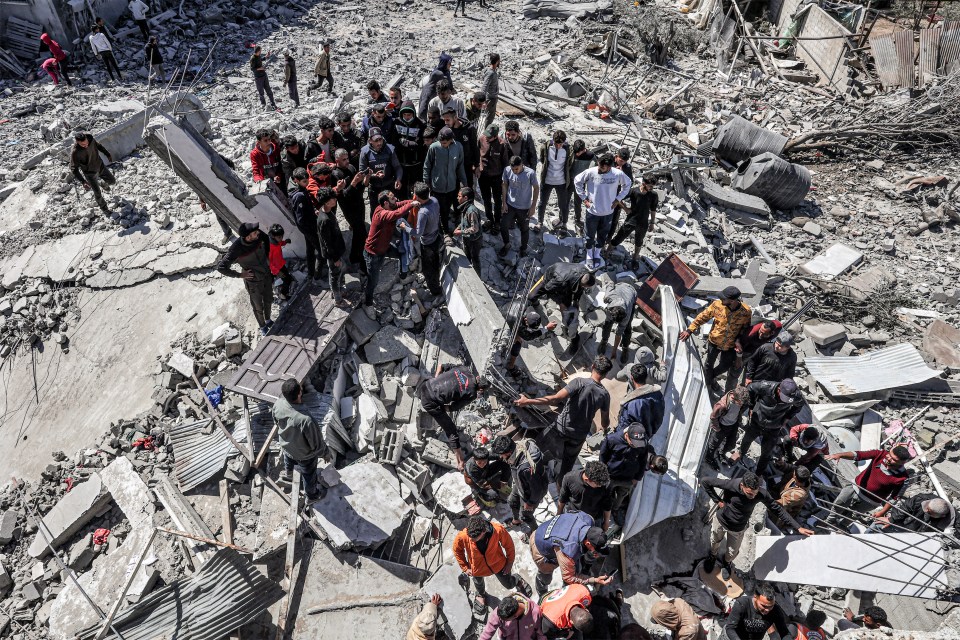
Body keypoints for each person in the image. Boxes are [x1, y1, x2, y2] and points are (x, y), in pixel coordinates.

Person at [516, 356, 612, 481]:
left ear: (593, 366)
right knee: (567, 465)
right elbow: (605, 421)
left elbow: (556, 398)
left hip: (561, 428)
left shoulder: (579, 382)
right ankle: (561, 487)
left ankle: (525, 472)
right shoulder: (605, 395)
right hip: (579, 436)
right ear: (605, 374)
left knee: (537, 446)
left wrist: (527, 401)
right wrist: (604, 429)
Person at [702, 472, 813, 576]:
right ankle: (712, 556)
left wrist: (798, 527)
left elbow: (778, 510)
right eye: (749, 493)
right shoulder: (732, 485)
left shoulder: (761, 494)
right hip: (721, 521)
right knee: (715, 540)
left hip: (738, 528)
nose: (753, 497)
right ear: (742, 485)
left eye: (755, 493)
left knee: (732, 552)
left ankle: (726, 563)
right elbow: (705, 481)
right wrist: (718, 501)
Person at [678, 286, 752, 391]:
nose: (721, 300)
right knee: (709, 363)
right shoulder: (717, 305)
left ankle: (709, 378)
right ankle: (707, 385)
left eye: (724, 298)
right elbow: (703, 317)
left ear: (732, 300)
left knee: (725, 366)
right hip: (714, 341)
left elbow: (745, 328)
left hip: (730, 345)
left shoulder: (746, 312)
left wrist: (738, 341)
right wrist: (689, 330)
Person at [418, 364, 490, 470]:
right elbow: (453, 407)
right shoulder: (471, 393)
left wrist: (436, 378)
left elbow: (441, 366)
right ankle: (460, 462)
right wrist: (441, 408)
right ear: (481, 390)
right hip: (429, 402)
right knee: (451, 430)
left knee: (440, 409)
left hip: (425, 385)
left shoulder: (464, 368)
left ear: (478, 377)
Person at [454, 515, 528, 614]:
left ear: (484, 531)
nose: (472, 540)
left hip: (498, 565)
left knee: (509, 585)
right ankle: (481, 595)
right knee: (478, 584)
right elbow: (457, 550)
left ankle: (516, 579)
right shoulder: (464, 535)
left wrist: (509, 563)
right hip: (477, 569)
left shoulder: (497, 530)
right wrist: (465, 567)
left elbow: (509, 545)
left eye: (475, 538)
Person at [824, 446, 913, 527]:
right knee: (838, 504)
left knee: (853, 515)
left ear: (902, 463)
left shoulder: (903, 478)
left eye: (893, 459)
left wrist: (882, 512)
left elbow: (894, 498)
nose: (888, 458)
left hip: (870, 502)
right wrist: (840, 455)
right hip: (855, 487)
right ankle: (828, 521)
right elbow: (858, 455)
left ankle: (840, 527)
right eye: (889, 455)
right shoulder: (880, 454)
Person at [601, 423, 669, 527]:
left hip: (628, 478)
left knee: (621, 496)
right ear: (627, 435)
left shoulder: (642, 444)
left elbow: (642, 462)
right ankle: (603, 511)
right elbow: (603, 457)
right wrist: (603, 472)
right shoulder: (611, 440)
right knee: (605, 494)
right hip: (611, 475)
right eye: (633, 443)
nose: (636, 446)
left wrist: (637, 478)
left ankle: (614, 510)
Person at [531, 512, 611, 596]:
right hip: (540, 545)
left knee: (572, 564)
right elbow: (568, 578)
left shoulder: (588, 519)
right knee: (545, 576)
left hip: (549, 529)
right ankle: (542, 594)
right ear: (588, 543)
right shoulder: (569, 550)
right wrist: (594, 580)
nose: (597, 555)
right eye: (596, 551)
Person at [573, 154, 631, 270]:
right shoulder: (591, 171)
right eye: (599, 166)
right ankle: (589, 254)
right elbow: (577, 181)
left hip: (608, 212)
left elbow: (628, 184)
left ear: (609, 167)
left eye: (602, 168)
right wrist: (584, 198)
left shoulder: (617, 174)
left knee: (602, 235)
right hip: (592, 212)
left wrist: (618, 199)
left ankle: (597, 253)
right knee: (589, 235)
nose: (599, 169)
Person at [274, 378, 328, 500]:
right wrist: (325, 454)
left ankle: (289, 474)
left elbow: (275, 421)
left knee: (289, 460)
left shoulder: (278, 404)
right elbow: (316, 443)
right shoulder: (305, 420)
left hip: (287, 446)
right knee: (309, 475)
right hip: (304, 456)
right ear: (299, 393)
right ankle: (312, 495)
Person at [737, 379, 805, 476]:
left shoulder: (795, 396)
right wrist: (751, 406)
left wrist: (788, 417)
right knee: (747, 439)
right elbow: (750, 388)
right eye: (784, 397)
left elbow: (800, 404)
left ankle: (758, 474)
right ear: (779, 390)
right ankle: (741, 453)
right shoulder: (766, 386)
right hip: (758, 420)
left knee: (766, 453)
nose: (784, 401)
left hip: (774, 427)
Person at [217, 222, 274, 335]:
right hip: (253, 283)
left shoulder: (259, 235)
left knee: (269, 300)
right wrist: (239, 275)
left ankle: (268, 320)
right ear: (248, 237)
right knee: (258, 306)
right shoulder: (236, 249)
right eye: (255, 233)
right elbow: (221, 267)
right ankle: (262, 326)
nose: (258, 233)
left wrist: (268, 258)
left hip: (266, 275)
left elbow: (267, 241)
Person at [528, 263, 595, 354]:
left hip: (565, 285)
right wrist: (561, 303)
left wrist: (576, 302)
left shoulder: (584, 273)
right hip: (549, 280)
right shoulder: (561, 281)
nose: (584, 289)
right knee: (531, 297)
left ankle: (575, 339)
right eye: (585, 287)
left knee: (569, 319)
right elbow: (549, 289)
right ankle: (536, 303)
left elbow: (579, 290)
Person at [364, 191, 418, 306]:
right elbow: (397, 213)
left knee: (401, 252)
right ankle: (368, 303)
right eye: (393, 198)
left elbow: (399, 204)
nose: (396, 199)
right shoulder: (382, 214)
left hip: (384, 247)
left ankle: (403, 274)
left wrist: (412, 201)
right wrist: (411, 205)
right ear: (386, 203)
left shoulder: (388, 206)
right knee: (373, 282)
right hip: (374, 254)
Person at [492, 435, 549, 530]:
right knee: (512, 501)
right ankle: (516, 520)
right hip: (521, 484)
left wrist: (530, 503)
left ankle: (535, 533)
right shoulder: (518, 445)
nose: (501, 457)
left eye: (501, 455)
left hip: (531, 493)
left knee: (526, 516)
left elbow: (536, 489)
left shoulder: (525, 468)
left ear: (508, 453)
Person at [423, 127, 467, 234]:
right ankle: (445, 233)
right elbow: (427, 166)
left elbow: (460, 166)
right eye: (441, 142)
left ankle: (449, 227)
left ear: (451, 139)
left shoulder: (458, 147)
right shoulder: (434, 148)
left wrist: (464, 183)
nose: (443, 144)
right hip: (437, 186)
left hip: (452, 186)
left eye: (445, 143)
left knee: (448, 209)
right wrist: (426, 182)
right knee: (440, 210)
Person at [332, 150, 370, 270]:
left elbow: (359, 188)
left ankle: (356, 257)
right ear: (337, 161)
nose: (347, 161)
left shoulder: (352, 168)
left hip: (359, 204)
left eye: (347, 158)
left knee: (359, 232)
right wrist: (353, 182)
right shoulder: (335, 175)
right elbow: (343, 196)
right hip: (349, 209)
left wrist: (366, 180)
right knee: (361, 232)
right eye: (344, 159)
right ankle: (360, 259)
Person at [608, 176, 658, 263]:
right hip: (631, 220)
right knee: (619, 237)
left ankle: (635, 258)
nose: (651, 188)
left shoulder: (653, 195)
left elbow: (653, 209)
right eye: (650, 186)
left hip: (643, 223)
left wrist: (652, 223)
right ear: (643, 184)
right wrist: (626, 209)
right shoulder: (634, 191)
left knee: (639, 241)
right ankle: (607, 252)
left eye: (652, 186)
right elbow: (618, 198)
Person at [500, 156, 539, 258]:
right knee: (503, 225)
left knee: (524, 229)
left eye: (516, 169)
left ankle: (523, 248)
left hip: (524, 207)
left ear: (522, 164)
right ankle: (507, 244)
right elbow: (504, 185)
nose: (514, 171)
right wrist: (504, 202)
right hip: (510, 205)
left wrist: (533, 206)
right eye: (513, 169)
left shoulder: (530, 173)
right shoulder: (507, 170)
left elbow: (536, 188)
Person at [288, 167, 322, 280]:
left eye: (307, 180)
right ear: (296, 180)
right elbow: (301, 219)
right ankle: (317, 276)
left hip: (308, 227)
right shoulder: (299, 195)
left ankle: (311, 272)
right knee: (321, 250)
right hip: (309, 228)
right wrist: (311, 228)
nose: (307, 183)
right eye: (304, 181)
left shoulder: (301, 190)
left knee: (310, 250)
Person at [723, 583, 792, 640]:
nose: (767, 610)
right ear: (755, 597)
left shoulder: (775, 611)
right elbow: (730, 628)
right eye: (764, 606)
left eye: (771, 606)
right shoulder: (742, 604)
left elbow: (785, 633)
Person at [557, 461, 613, 531]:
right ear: (587, 480)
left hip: (595, 518)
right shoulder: (569, 478)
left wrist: (606, 522)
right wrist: (558, 515)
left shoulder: (605, 485)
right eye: (598, 485)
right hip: (574, 515)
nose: (601, 486)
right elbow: (562, 498)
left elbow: (607, 506)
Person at [359, 127, 403, 214]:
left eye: (380, 139)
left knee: (393, 210)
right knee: (376, 212)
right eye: (376, 140)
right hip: (375, 188)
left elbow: (397, 167)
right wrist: (374, 175)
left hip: (389, 185)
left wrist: (398, 179)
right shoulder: (364, 152)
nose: (379, 143)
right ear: (370, 141)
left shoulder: (390, 149)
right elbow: (362, 172)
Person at [704, 386, 750, 469]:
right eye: (740, 403)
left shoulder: (739, 398)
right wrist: (717, 429)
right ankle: (709, 458)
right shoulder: (722, 405)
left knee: (731, 444)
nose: (741, 404)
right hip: (722, 426)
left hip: (733, 423)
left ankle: (720, 452)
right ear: (733, 397)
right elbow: (713, 417)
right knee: (713, 444)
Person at [70, 131, 115, 213]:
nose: (86, 145)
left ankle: (103, 184)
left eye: (86, 143)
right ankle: (104, 208)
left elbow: (99, 146)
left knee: (112, 181)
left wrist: (107, 154)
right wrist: (83, 181)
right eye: (83, 145)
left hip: (100, 166)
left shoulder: (90, 139)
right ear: (77, 142)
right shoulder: (75, 152)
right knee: (97, 192)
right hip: (90, 173)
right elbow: (74, 169)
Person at [412, 182, 444, 296]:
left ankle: (435, 291)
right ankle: (436, 279)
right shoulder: (434, 200)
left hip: (427, 243)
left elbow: (418, 233)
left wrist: (405, 228)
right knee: (435, 262)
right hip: (436, 237)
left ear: (416, 196)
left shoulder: (423, 212)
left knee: (428, 269)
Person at [615, 365, 665, 439]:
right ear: (646, 376)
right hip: (647, 435)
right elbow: (659, 417)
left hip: (633, 440)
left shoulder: (630, 404)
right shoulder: (658, 394)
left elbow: (622, 429)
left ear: (632, 377)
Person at [503, 307, 557, 374]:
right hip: (504, 323)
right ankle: (511, 366)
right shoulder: (520, 326)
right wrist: (546, 328)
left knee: (519, 334)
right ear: (525, 319)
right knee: (518, 343)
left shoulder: (524, 305)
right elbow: (529, 337)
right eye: (529, 326)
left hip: (506, 310)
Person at [537, 131, 574, 228]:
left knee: (563, 204)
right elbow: (542, 159)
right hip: (547, 180)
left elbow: (569, 163)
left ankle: (564, 223)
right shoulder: (545, 147)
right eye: (556, 143)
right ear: (553, 140)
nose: (558, 146)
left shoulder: (568, 149)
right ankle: (540, 222)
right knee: (542, 203)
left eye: (560, 144)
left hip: (561, 182)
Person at [315, 187, 346, 302]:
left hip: (336, 250)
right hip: (333, 253)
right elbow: (327, 243)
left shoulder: (326, 210)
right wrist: (336, 258)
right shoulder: (325, 220)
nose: (335, 199)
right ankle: (338, 299)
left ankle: (335, 291)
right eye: (332, 198)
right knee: (334, 274)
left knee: (335, 272)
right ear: (327, 202)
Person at [478, 124, 510, 233]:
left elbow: (505, 163)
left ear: (496, 136)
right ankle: (489, 219)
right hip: (483, 176)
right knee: (486, 200)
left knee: (497, 201)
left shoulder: (502, 145)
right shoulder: (481, 139)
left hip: (497, 177)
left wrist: (504, 180)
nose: (487, 138)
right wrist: (476, 167)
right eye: (486, 135)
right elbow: (477, 154)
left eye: (489, 136)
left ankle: (497, 221)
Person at [391, 101, 427, 197]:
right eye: (405, 114)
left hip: (416, 164)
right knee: (402, 190)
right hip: (401, 164)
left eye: (409, 114)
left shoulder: (420, 124)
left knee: (416, 189)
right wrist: (407, 143)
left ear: (413, 114)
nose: (407, 117)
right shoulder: (396, 123)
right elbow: (394, 141)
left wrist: (403, 142)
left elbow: (418, 144)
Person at [598, 281, 639, 363]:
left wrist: (614, 350)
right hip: (620, 287)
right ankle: (604, 341)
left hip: (631, 292)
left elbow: (618, 334)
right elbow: (610, 283)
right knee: (607, 324)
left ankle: (625, 347)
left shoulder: (626, 314)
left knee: (627, 328)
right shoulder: (609, 296)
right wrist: (605, 298)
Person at [441, 108, 480, 191]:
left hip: (466, 165)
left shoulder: (469, 129)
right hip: (452, 165)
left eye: (448, 120)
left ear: (455, 117)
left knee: (468, 189)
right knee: (454, 190)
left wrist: (477, 165)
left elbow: (474, 147)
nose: (446, 123)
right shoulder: (445, 130)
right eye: (444, 120)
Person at [479, 591, 546, 640]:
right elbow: (487, 633)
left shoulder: (536, 612)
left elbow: (541, 633)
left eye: (506, 620)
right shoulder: (500, 610)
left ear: (515, 616)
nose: (501, 620)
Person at [878, 492, 952, 532]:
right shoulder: (921, 498)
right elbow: (906, 507)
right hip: (905, 523)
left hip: (916, 535)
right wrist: (891, 519)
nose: (925, 510)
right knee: (878, 525)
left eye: (929, 512)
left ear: (942, 516)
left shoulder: (949, 521)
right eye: (926, 507)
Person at [771, 463, 810, 529]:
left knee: (776, 520)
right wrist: (782, 464)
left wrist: (767, 501)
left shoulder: (799, 495)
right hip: (781, 492)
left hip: (787, 509)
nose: (793, 472)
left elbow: (783, 502)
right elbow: (791, 468)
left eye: (794, 473)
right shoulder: (803, 476)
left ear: (795, 477)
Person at [454, 187, 483, 274]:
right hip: (468, 238)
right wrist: (459, 227)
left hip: (474, 240)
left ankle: (478, 277)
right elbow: (465, 221)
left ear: (465, 198)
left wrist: (461, 232)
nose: (457, 198)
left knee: (475, 259)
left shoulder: (471, 211)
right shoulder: (465, 207)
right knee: (467, 256)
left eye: (459, 196)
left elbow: (475, 228)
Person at [419, 52, 454, 120]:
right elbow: (423, 108)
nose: (450, 65)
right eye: (449, 63)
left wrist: (451, 89)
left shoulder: (446, 71)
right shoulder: (429, 91)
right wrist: (422, 122)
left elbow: (449, 81)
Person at [251, 128, 286, 193]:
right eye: (265, 140)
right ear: (259, 142)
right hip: (265, 183)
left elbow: (281, 166)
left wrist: (279, 176)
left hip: (280, 181)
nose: (269, 142)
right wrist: (260, 182)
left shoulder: (276, 149)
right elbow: (256, 171)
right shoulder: (255, 154)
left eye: (269, 139)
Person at [570, 141, 595, 234]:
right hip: (569, 180)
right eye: (575, 152)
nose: (577, 154)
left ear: (584, 150)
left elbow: (593, 168)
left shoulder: (590, 156)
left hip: (580, 183)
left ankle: (577, 219)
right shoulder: (571, 152)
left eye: (579, 152)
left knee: (578, 202)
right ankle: (562, 219)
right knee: (565, 200)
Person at [267, 223, 293, 300]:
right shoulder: (269, 248)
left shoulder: (276, 241)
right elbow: (269, 263)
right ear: (272, 236)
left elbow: (280, 243)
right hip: (277, 268)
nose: (281, 238)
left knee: (287, 277)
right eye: (279, 237)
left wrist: (285, 242)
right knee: (287, 280)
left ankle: (286, 285)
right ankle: (283, 294)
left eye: (282, 236)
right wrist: (277, 272)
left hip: (281, 263)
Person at [250, 45, 277, 111]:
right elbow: (252, 69)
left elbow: (260, 59)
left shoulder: (258, 56)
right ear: (258, 51)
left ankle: (272, 103)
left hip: (264, 75)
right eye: (260, 51)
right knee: (261, 92)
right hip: (258, 77)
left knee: (268, 90)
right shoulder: (252, 58)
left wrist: (266, 57)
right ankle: (263, 105)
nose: (261, 52)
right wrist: (260, 68)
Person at [479, 53, 500, 133]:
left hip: (492, 97)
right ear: (497, 61)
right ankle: (486, 134)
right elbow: (484, 87)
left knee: (490, 116)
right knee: (489, 117)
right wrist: (482, 101)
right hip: (491, 98)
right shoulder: (490, 73)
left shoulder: (491, 71)